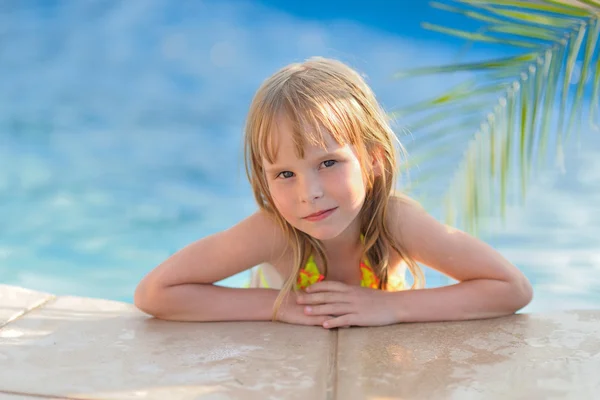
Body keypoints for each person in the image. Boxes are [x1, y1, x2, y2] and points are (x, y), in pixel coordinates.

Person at [134, 57, 533, 329]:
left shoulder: (395, 222)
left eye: (328, 163)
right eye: (285, 173)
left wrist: (391, 306)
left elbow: (511, 288)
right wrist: (281, 306)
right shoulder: (273, 232)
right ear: (263, 178)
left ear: (373, 159)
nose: (309, 193)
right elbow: (155, 293)